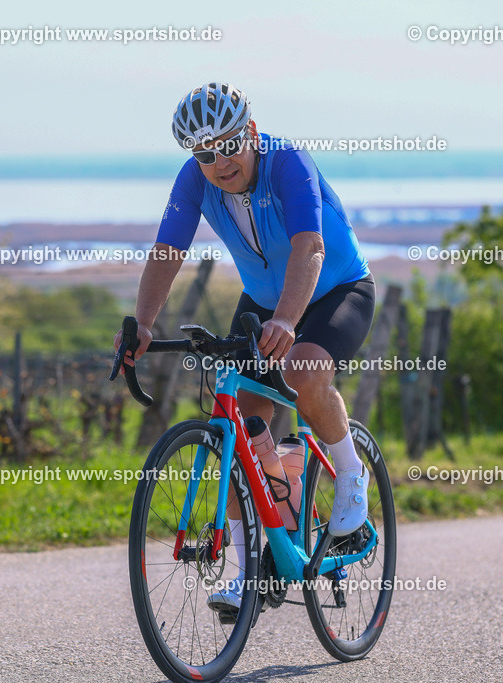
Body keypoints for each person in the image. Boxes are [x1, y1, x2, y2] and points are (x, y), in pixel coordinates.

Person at [115, 82, 375, 614]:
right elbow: (168, 250)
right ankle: (250, 569)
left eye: (229, 146)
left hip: (336, 290)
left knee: (303, 376)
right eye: (205, 154)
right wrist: (141, 323)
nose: (219, 162)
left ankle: (351, 472)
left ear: (251, 132)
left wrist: (287, 318)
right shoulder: (195, 180)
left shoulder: (288, 163)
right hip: (263, 303)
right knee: (236, 433)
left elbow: (311, 245)